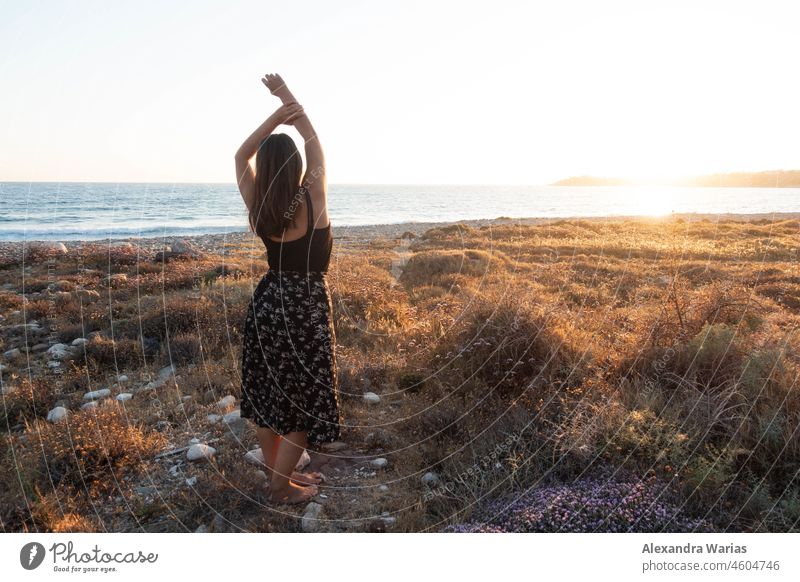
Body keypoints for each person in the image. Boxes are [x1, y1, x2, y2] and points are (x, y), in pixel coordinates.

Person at [234, 73, 341, 505]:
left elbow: (241, 155)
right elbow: (314, 139)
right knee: (301, 400)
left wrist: (273, 117)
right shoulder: (312, 196)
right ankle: (280, 486)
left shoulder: (257, 201)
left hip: (267, 302)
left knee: (267, 393)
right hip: (305, 305)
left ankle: (280, 477)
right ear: (296, 167)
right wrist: (287, 101)